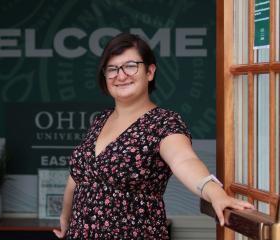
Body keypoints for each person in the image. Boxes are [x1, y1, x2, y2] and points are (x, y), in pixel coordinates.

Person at [53, 32, 254, 239]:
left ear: (150, 72)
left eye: (131, 66)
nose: (120, 75)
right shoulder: (100, 121)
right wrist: (65, 217)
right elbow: (79, 177)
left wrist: (215, 192)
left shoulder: (164, 123)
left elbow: (184, 160)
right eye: (112, 69)